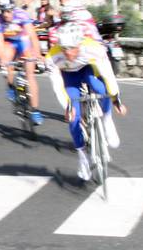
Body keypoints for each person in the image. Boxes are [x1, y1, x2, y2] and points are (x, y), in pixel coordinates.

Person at [45, 23, 127, 180]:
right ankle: (83, 158)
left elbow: (108, 75)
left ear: (79, 43)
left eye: (71, 48)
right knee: (74, 118)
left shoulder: (94, 48)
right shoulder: (52, 57)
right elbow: (57, 85)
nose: (68, 53)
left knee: (102, 89)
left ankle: (107, 120)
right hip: (68, 76)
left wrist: (116, 99)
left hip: (87, 69)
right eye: (64, 48)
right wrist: (68, 106)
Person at [0, 0, 44, 125]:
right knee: (7, 61)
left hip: (23, 41)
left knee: (30, 75)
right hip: (9, 43)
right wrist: (2, 60)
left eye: (9, 11)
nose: (6, 14)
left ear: (13, 9)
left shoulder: (21, 14)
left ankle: (35, 110)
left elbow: (32, 36)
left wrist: (37, 54)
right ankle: (10, 86)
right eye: (3, 11)